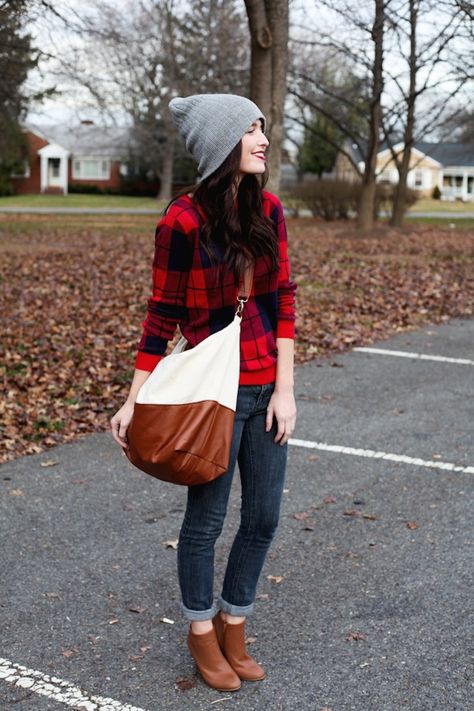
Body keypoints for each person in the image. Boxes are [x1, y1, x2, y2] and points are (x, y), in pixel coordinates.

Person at [110, 93, 297, 692]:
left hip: (265, 385)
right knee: (206, 521)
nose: (262, 138)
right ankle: (199, 631)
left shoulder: (269, 208)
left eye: (262, 127)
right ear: (221, 144)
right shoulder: (181, 221)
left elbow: (283, 300)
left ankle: (233, 622)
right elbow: (161, 314)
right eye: (249, 129)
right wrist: (134, 397)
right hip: (211, 397)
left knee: (264, 516)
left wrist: (286, 390)